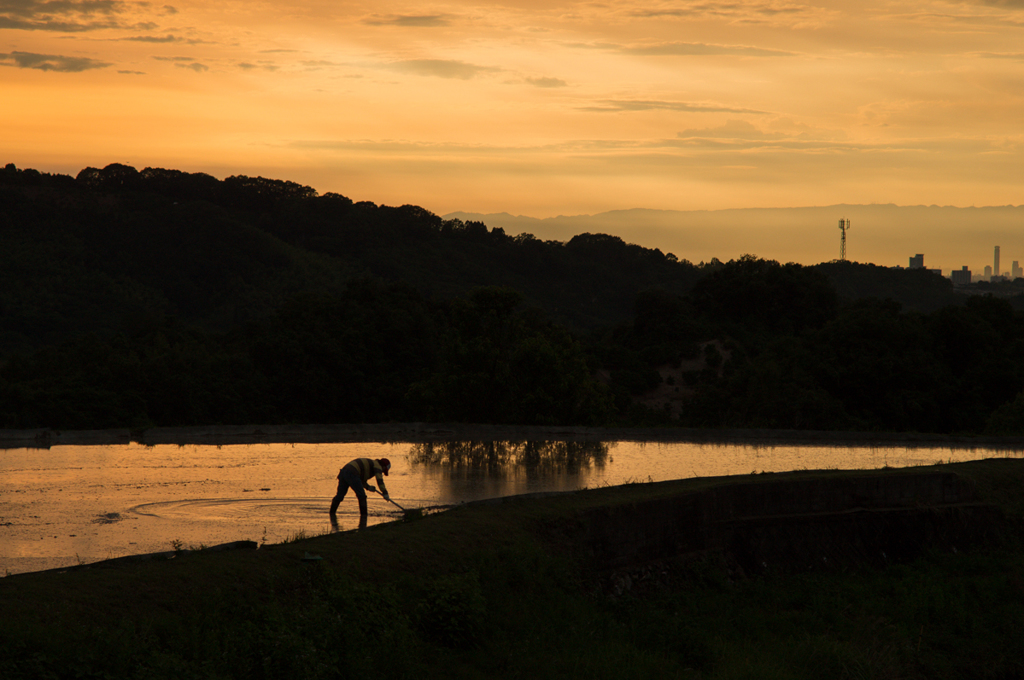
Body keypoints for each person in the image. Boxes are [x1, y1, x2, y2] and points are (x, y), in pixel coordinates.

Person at [329, 457, 391, 523]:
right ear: (383, 466)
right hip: (352, 473)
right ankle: (364, 517)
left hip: (343, 472)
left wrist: (368, 487)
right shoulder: (377, 466)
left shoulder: (372, 464)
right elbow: (379, 480)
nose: (382, 472)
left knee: (339, 496)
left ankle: (331, 514)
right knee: (362, 496)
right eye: (384, 470)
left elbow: (361, 480)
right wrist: (385, 492)